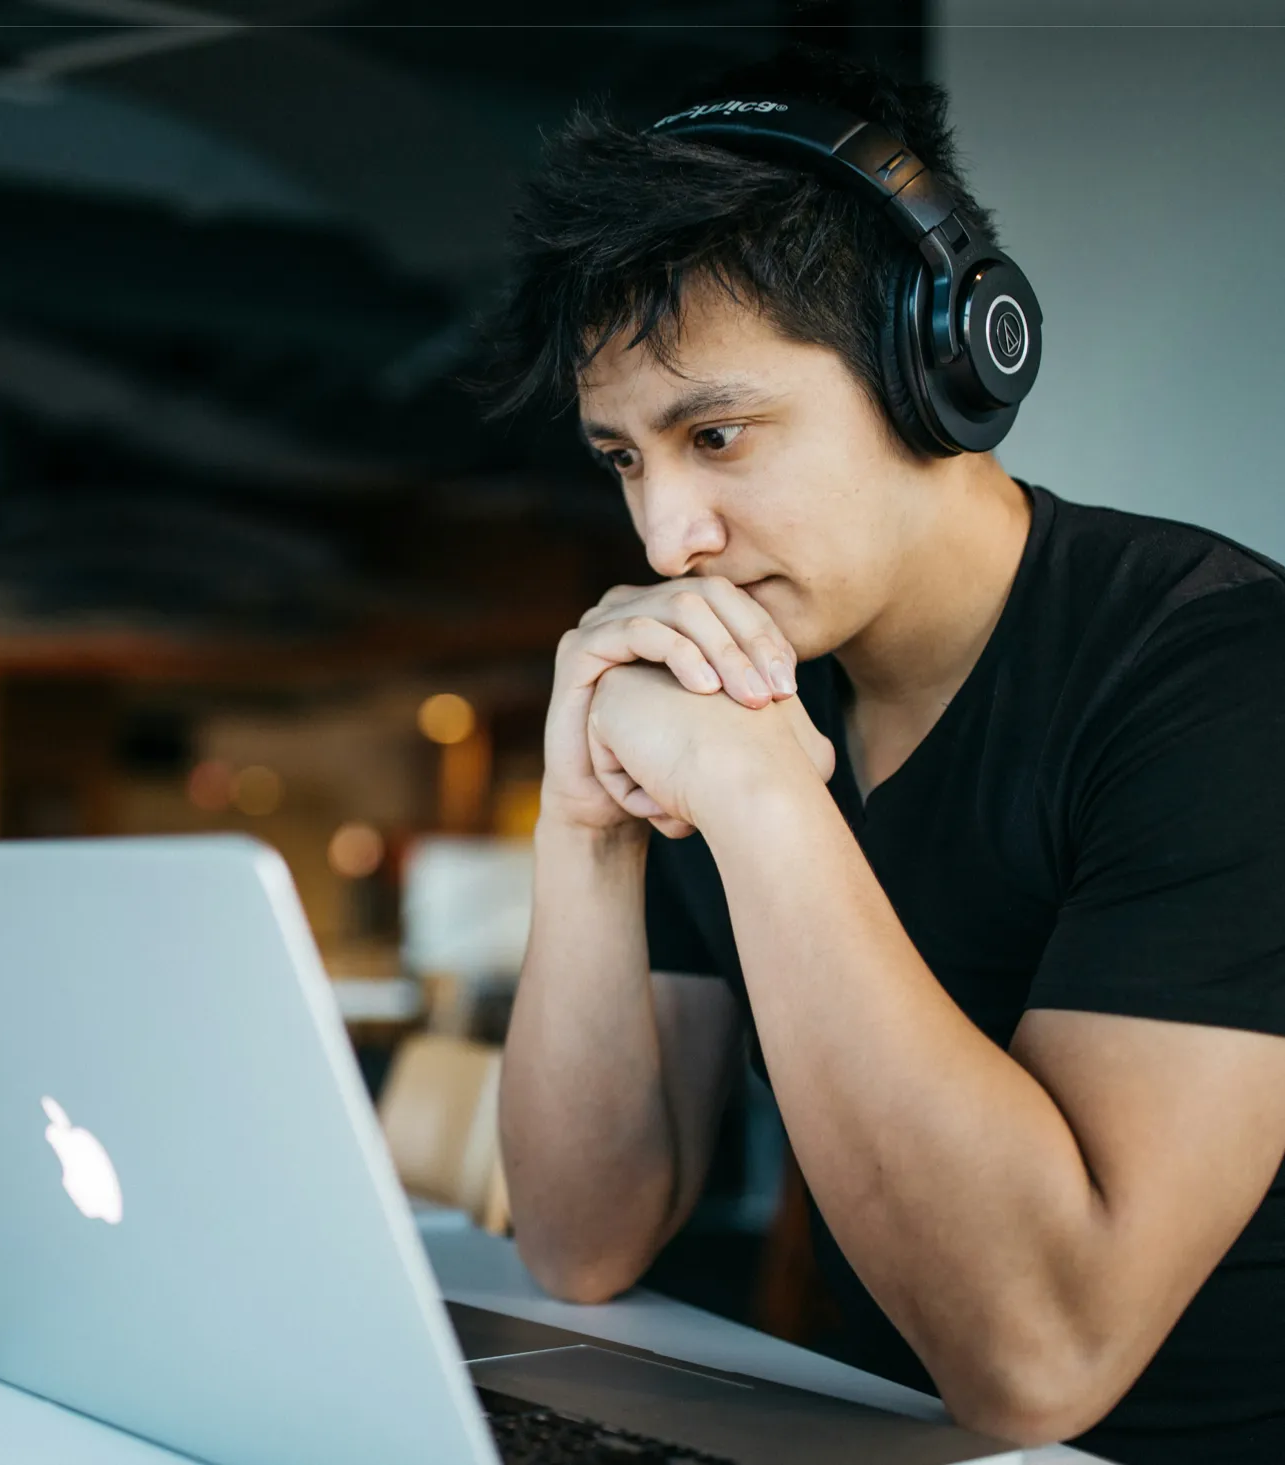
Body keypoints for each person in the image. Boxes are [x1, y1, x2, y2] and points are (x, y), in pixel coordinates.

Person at [485, 45, 1285, 1465]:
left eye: (717, 434)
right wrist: (584, 825)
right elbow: (579, 1239)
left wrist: (758, 797)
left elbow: (1043, 1362)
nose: (667, 539)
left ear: (939, 370)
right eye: (625, 460)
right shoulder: (737, 682)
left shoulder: (1222, 680)